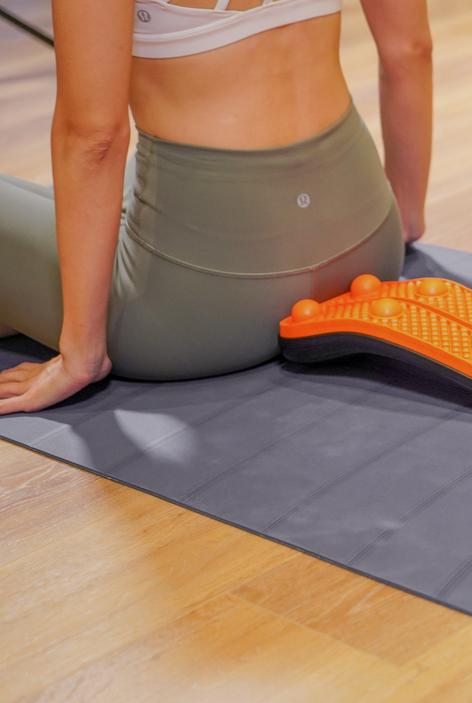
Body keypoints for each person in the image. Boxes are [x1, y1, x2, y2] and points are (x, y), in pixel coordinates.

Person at [0, 0, 433, 414]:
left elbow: (93, 138)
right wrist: (405, 217)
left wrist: (81, 356)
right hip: (367, 247)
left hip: (197, 309)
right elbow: (410, 50)